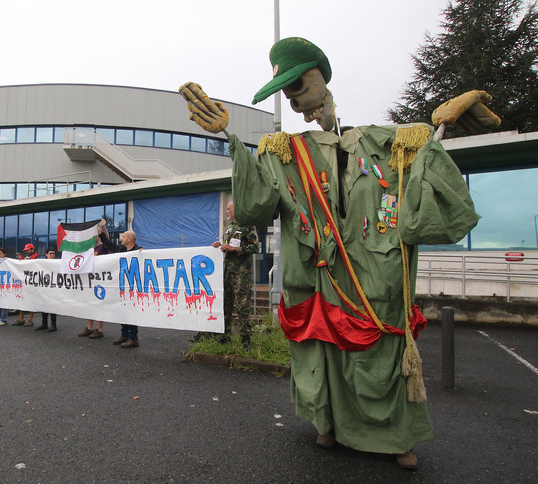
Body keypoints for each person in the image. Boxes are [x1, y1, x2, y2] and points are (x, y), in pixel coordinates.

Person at [179, 37, 480, 469]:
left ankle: (396, 438)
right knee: (325, 357)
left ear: (320, 77)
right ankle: (330, 425)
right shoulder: (284, 154)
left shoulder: (390, 145)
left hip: (377, 284)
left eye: (297, 86)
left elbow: (431, 213)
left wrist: (435, 137)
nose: (294, 100)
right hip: (320, 283)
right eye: (286, 93)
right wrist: (231, 139)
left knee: (380, 360)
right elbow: (254, 208)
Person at [211, 201, 259, 348]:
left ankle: (246, 338)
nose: (226, 212)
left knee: (242, 306)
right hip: (228, 272)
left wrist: (234, 249)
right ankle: (225, 335)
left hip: (241, 274)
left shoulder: (248, 226)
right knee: (226, 304)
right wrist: (219, 245)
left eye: (228, 209)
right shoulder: (230, 227)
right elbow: (229, 245)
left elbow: (255, 247)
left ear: (236, 210)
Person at [99, 223, 142, 348]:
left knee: (132, 312)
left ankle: (133, 338)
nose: (121, 239)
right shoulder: (121, 250)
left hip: (133, 287)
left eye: (123, 236)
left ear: (130, 239)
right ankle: (125, 335)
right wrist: (101, 232)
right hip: (122, 286)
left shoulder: (139, 251)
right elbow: (109, 244)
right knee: (122, 311)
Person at [78, 222, 109, 339]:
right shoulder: (88, 249)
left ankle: (99, 329)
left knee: (99, 304)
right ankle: (89, 328)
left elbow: (107, 239)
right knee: (88, 304)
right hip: (89, 281)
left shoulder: (102, 247)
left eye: (95, 235)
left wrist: (103, 229)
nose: (93, 238)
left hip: (100, 281)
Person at [13, 243, 38, 327]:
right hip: (24, 283)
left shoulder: (36, 259)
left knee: (31, 302)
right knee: (21, 300)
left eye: (28, 250)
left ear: (32, 250)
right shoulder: (26, 258)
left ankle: (30, 319)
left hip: (31, 283)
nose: (26, 252)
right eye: (25, 251)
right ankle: (21, 318)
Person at [36, 248, 58, 332]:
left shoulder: (57, 263)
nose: (52, 255)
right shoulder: (42, 263)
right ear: (46, 254)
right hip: (44, 288)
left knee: (52, 307)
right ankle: (44, 324)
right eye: (50, 253)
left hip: (53, 288)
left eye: (53, 253)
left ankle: (53, 325)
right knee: (44, 306)